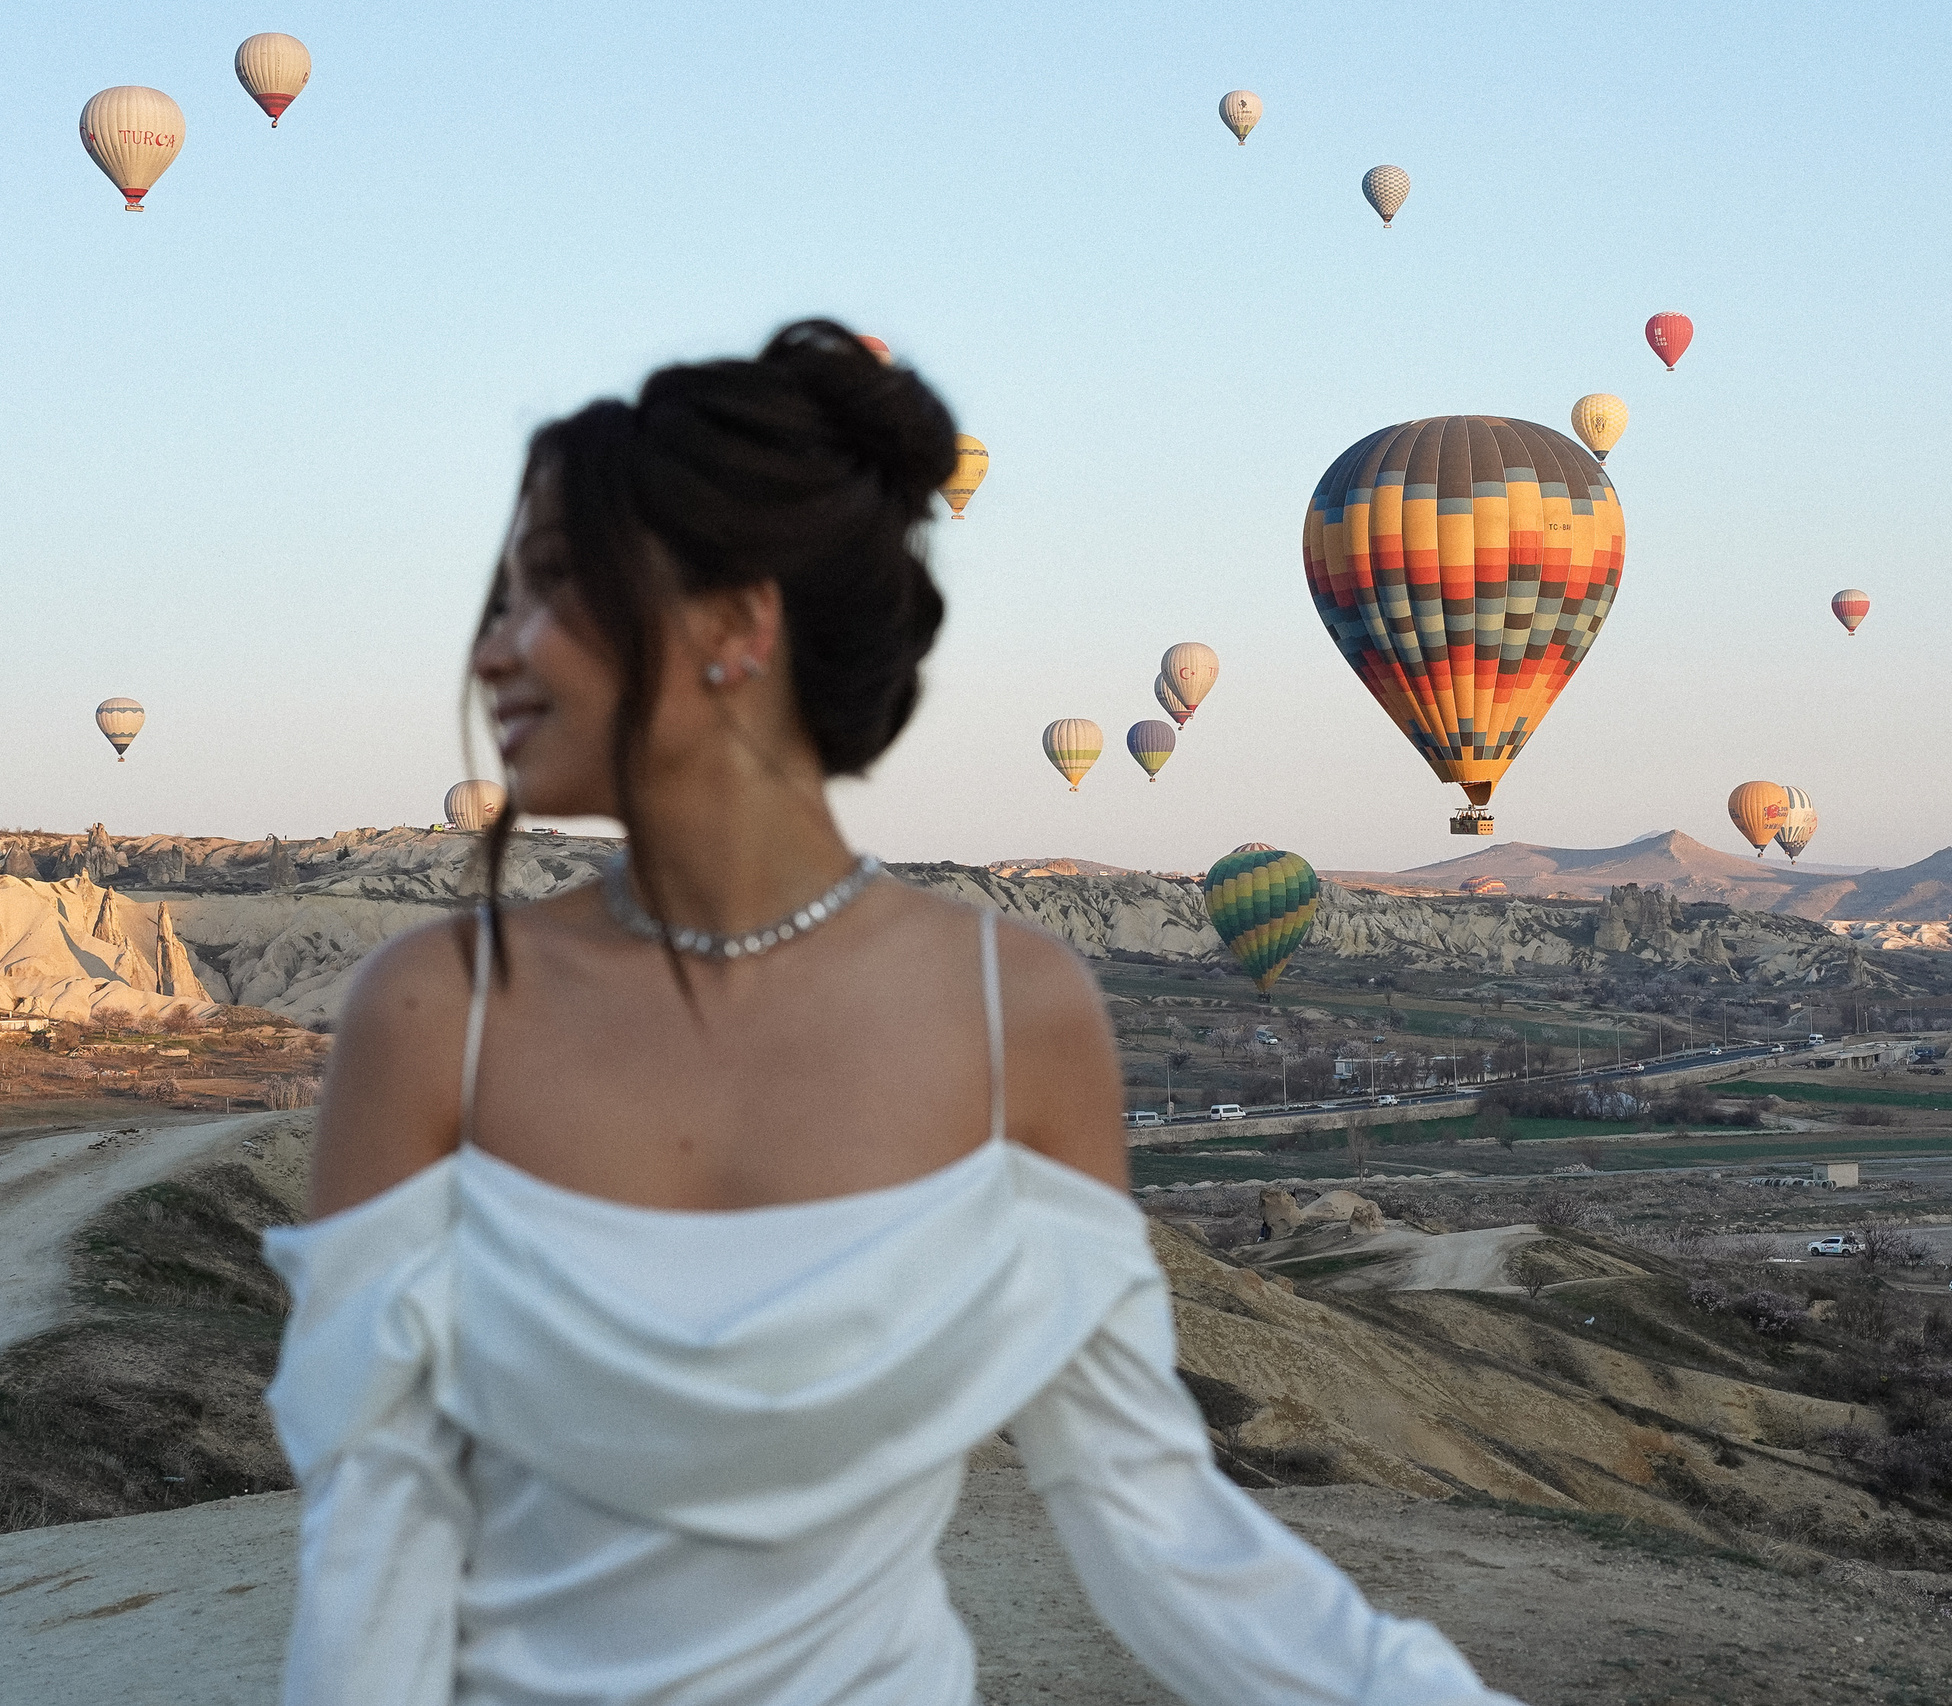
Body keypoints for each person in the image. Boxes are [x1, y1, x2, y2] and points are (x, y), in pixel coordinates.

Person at [262, 321, 1519, 1706]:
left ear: (737, 624)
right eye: (500, 599)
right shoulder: (436, 1011)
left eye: (549, 585)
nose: (492, 651)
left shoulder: (1009, 1008)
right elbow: (373, 1543)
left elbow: (1154, 1521)